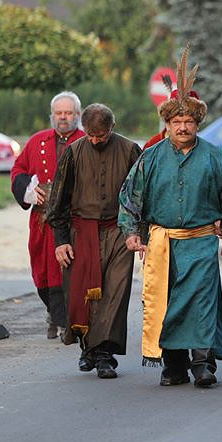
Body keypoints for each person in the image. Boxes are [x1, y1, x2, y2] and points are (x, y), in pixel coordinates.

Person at [118, 47, 222, 387]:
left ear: (197, 122)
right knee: (168, 304)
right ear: (168, 123)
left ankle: (202, 364)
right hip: (162, 244)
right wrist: (131, 232)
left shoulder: (214, 158)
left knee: (202, 303)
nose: (183, 126)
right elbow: (130, 197)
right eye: (177, 121)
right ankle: (173, 365)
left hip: (201, 243)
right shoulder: (151, 157)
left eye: (189, 121)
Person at [47, 103, 141, 378]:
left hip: (120, 231)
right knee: (82, 294)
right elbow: (58, 201)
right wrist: (60, 241)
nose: (96, 140)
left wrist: (139, 232)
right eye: (91, 135)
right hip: (80, 232)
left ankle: (104, 354)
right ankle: (88, 348)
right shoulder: (73, 152)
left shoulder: (130, 150)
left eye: (101, 134)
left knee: (116, 291)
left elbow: (141, 195)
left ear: (112, 128)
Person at [10, 92, 86, 339]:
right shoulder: (37, 141)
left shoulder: (86, 141)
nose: (63, 118)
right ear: (52, 115)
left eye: (68, 113)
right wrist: (27, 191)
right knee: (42, 273)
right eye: (59, 113)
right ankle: (54, 313)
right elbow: (18, 170)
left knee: (66, 272)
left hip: (73, 221)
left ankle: (66, 322)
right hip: (41, 221)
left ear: (77, 115)